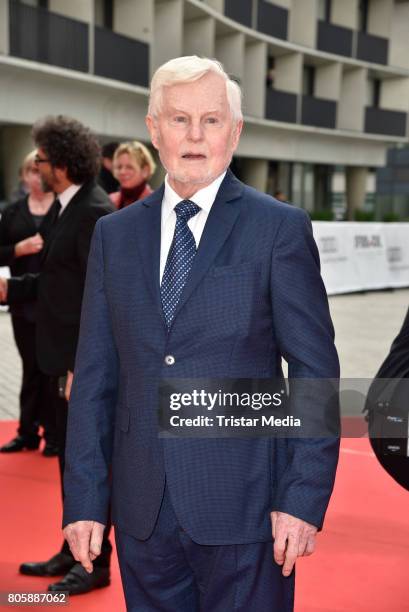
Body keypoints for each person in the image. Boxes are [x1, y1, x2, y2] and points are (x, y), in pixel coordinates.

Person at [62, 57, 340, 611]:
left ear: (234, 132)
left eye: (211, 121)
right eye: (179, 119)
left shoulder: (278, 228)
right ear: (153, 128)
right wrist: (85, 500)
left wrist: (303, 498)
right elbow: (95, 377)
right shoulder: (114, 236)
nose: (194, 136)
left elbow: (314, 372)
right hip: (142, 511)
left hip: (247, 509)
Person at [0, 116, 114, 595]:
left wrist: (79, 363)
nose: (37, 167)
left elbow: (98, 295)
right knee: (71, 461)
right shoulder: (67, 208)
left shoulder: (92, 210)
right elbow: (56, 283)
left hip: (76, 364)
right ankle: (73, 550)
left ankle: (94, 564)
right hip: (58, 359)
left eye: (42, 159)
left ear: (62, 163)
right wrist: (10, 288)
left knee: (84, 465)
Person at [0, 150, 56, 455]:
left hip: (54, 301)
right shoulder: (12, 212)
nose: (37, 176)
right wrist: (17, 250)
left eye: (40, 170)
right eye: (31, 171)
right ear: (24, 175)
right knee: (29, 366)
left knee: (51, 368)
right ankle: (27, 432)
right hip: (22, 300)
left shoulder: (63, 209)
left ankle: (54, 434)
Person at [109, 140, 156, 208]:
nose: (122, 172)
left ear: (145, 170)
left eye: (129, 167)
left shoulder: (156, 203)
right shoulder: (110, 200)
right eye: (119, 167)